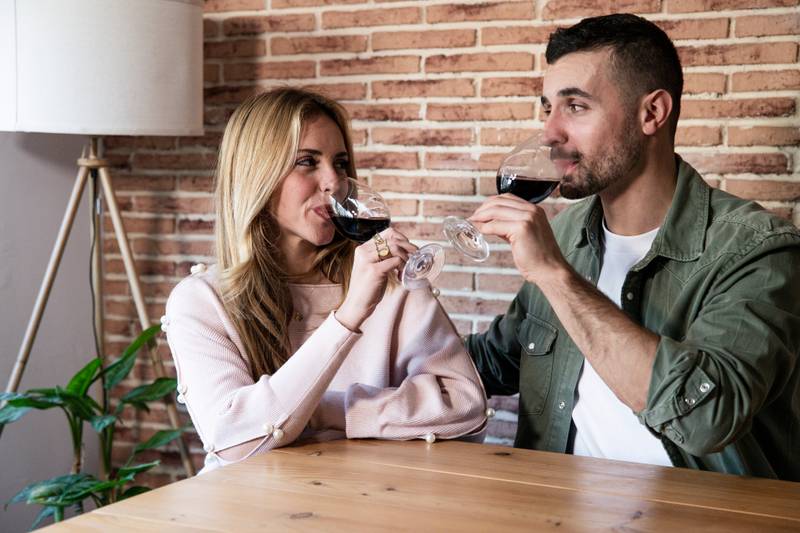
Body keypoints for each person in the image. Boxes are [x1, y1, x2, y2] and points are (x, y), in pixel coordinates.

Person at [465, 13, 800, 480]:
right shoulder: (567, 233)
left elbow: (706, 420)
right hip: (555, 512)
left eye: (576, 106)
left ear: (652, 113)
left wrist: (554, 276)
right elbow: (495, 362)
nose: (549, 133)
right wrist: (394, 304)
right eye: (547, 108)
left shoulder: (758, 252)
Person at [163, 87, 487, 473]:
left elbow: (466, 409)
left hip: (367, 504)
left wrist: (323, 412)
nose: (334, 181)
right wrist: (349, 316)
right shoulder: (203, 300)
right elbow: (235, 441)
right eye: (307, 162)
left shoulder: (389, 281)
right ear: (257, 175)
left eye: (341, 162)